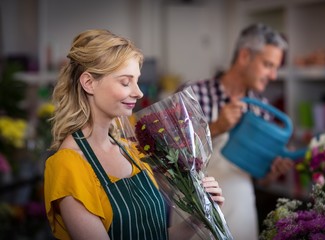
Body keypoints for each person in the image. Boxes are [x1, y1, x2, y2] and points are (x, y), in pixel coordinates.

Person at [43, 29, 225, 240]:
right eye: (125, 82)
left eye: (136, 81)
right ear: (89, 83)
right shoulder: (68, 165)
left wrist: (200, 215)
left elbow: (157, 236)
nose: (138, 92)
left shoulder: (131, 150)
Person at [176, 23, 295, 239]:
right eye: (268, 64)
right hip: (193, 211)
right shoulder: (192, 93)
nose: (274, 75)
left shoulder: (261, 108)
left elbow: (261, 180)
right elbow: (171, 154)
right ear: (244, 56)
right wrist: (217, 127)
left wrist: (271, 172)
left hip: (241, 212)